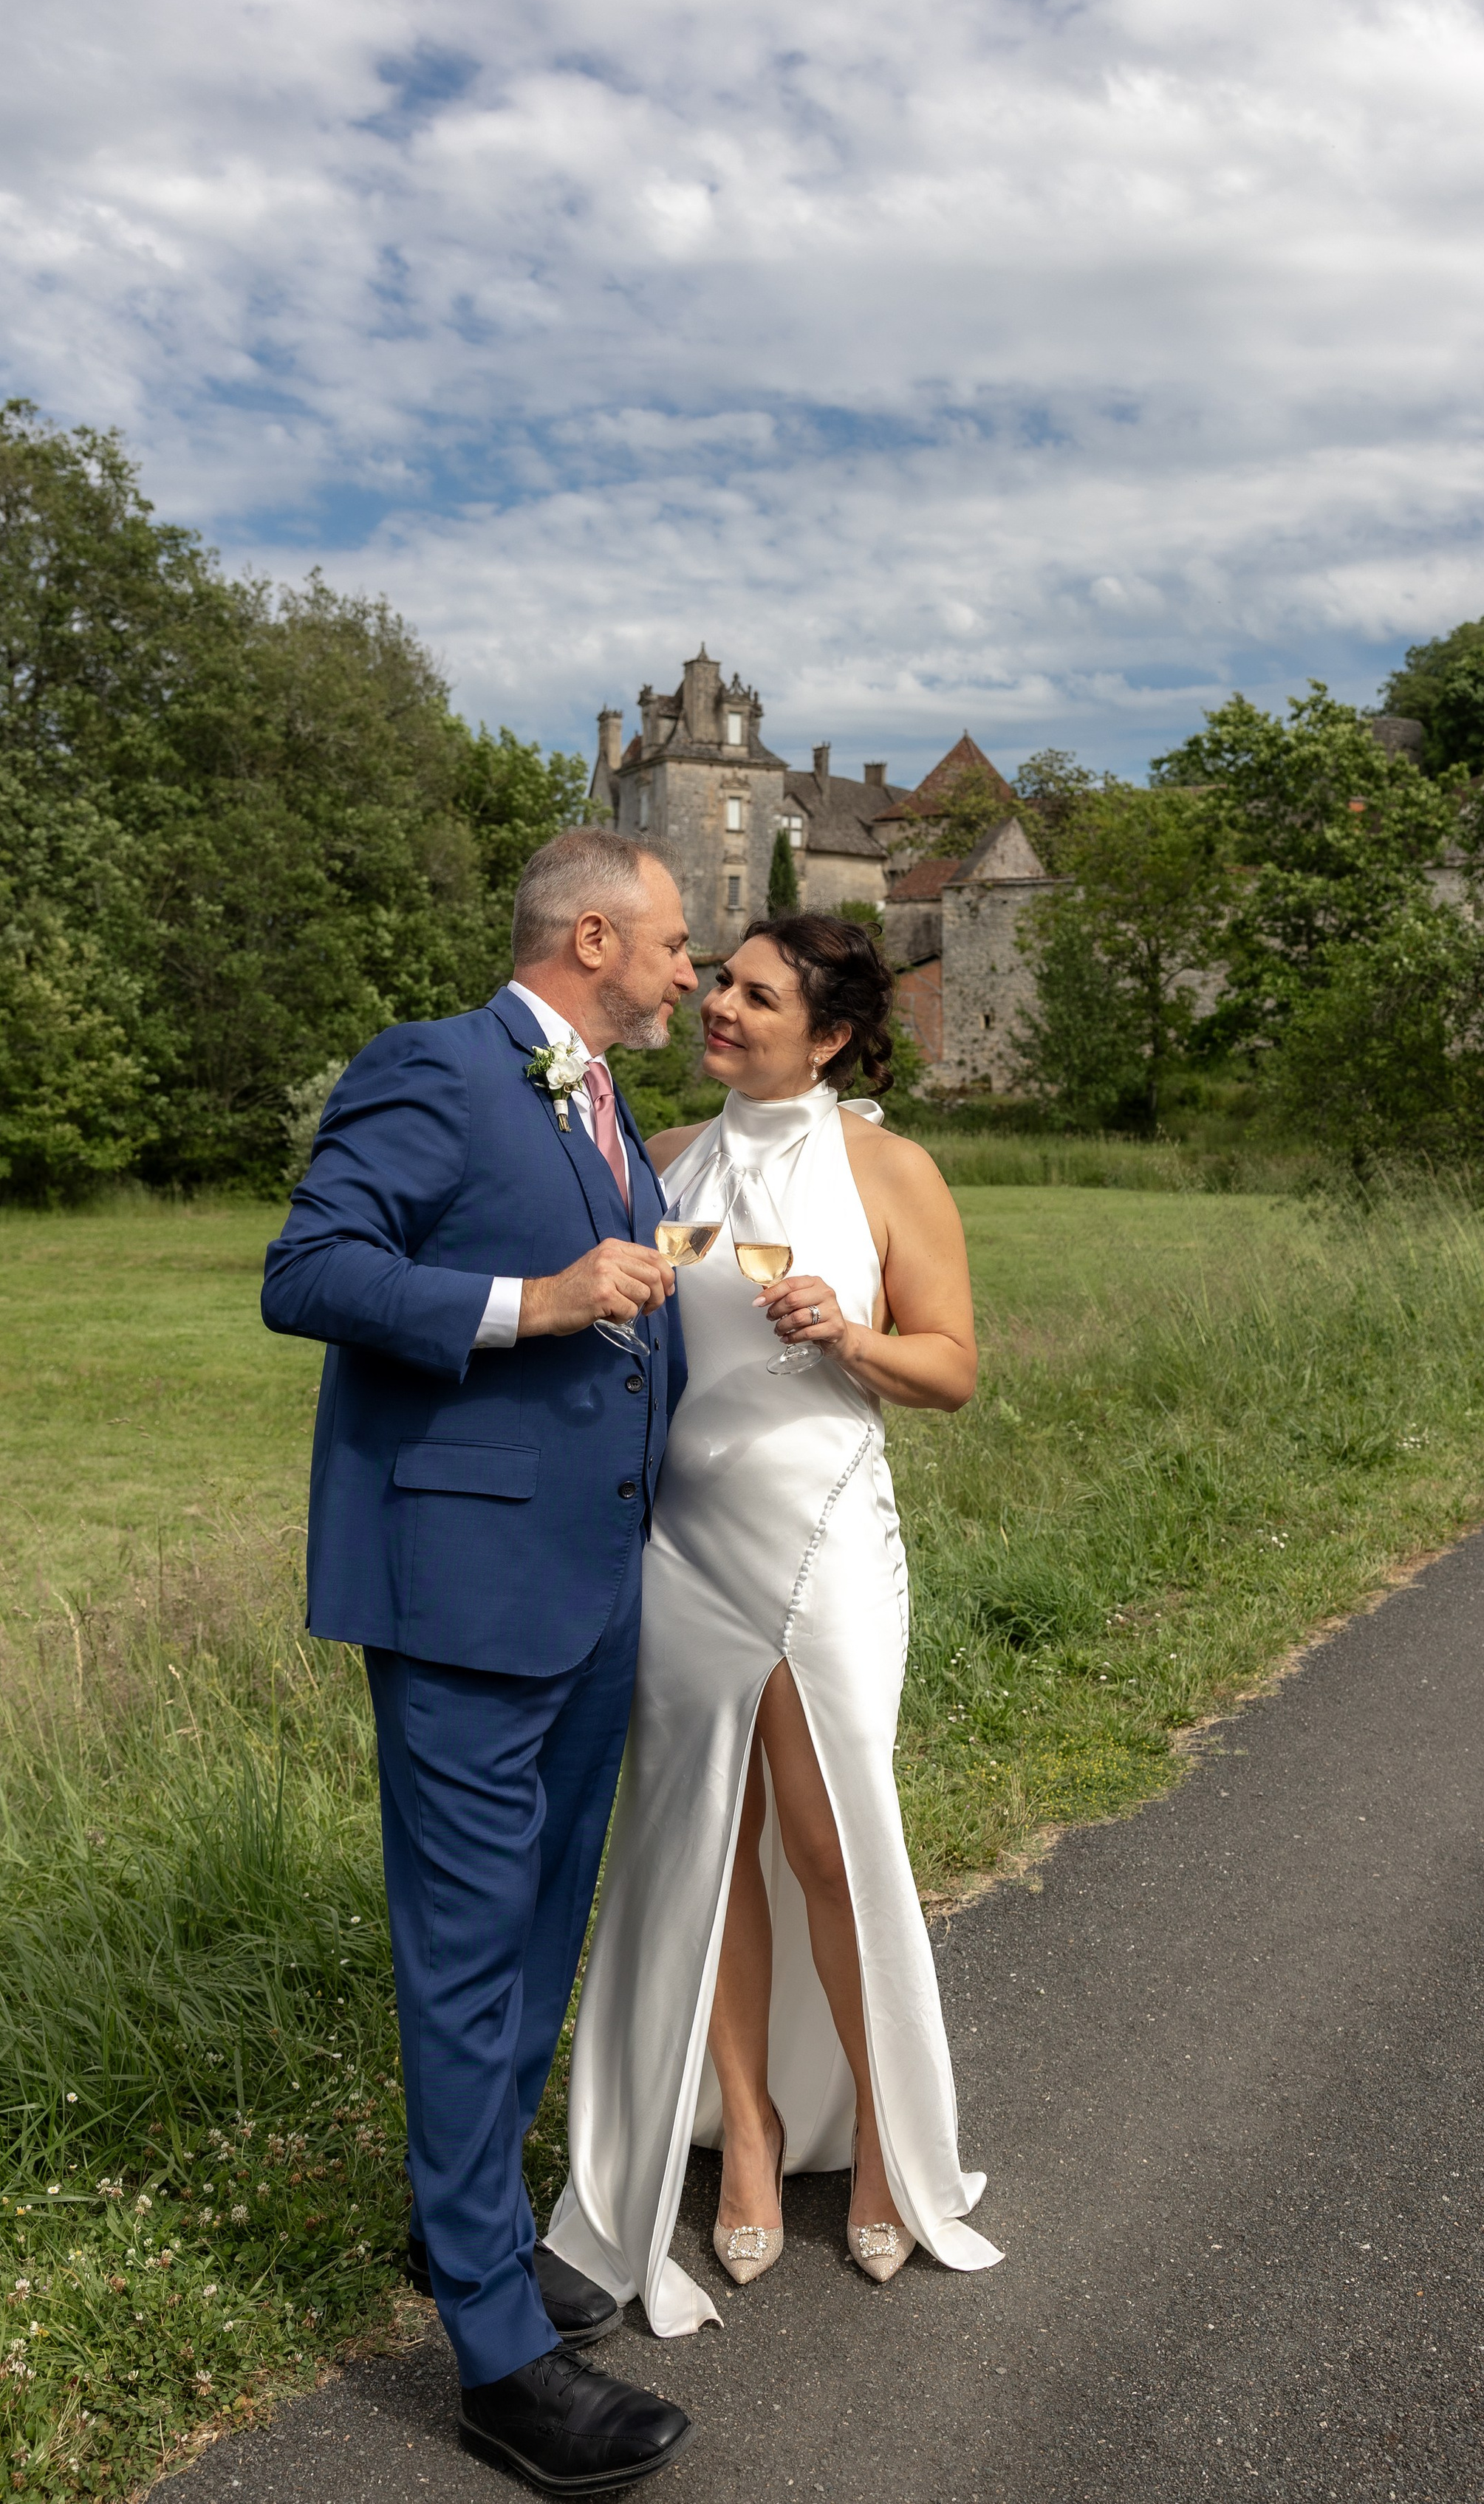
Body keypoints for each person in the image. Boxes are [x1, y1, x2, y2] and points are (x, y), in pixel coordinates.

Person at [261, 829, 700, 2496]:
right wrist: (537, 1298)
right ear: (594, 936)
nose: (683, 972)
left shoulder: (599, 1108)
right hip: (461, 1589)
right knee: (463, 1950)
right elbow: (305, 1274)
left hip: (592, 1588)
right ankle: (495, 2355)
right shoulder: (432, 1071)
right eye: (669, 946)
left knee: (531, 1933)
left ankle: (478, 2233)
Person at [544, 912, 1003, 2333]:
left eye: (755, 994)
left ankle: (881, 2140)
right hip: (682, 1552)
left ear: (834, 1034)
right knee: (706, 1849)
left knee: (827, 1843)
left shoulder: (886, 1169)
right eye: (720, 984)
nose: (718, 1007)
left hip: (823, 1543)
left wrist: (847, 1336)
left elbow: (955, 1368)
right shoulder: (666, 1161)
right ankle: (743, 2127)